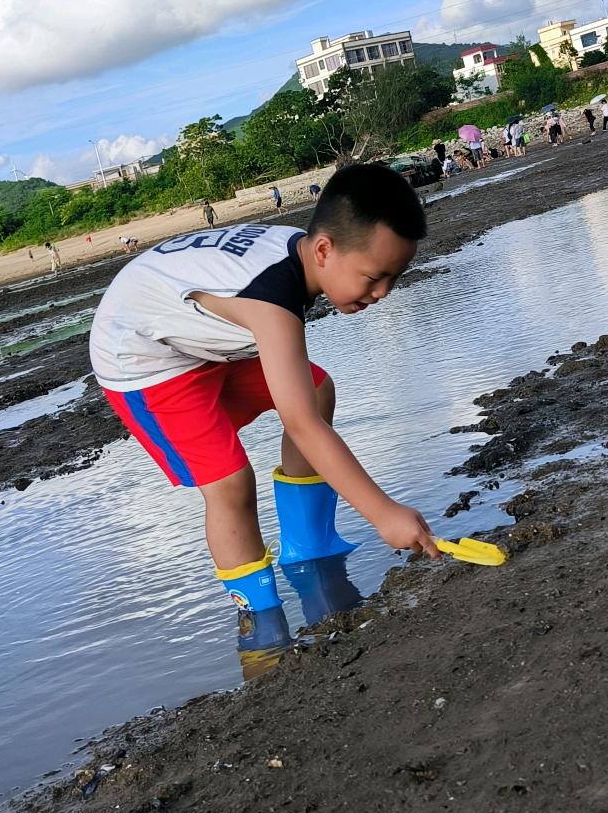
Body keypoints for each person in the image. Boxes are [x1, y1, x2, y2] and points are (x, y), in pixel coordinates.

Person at [89, 164, 441, 614]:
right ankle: (259, 615)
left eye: (395, 278)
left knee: (315, 389)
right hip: (142, 358)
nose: (383, 292)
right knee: (231, 483)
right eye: (373, 278)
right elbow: (302, 425)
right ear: (324, 250)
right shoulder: (272, 298)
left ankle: (309, 549)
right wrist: (383, 513)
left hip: (200, 339)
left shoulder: (299, 254)